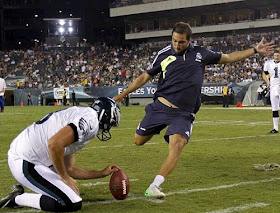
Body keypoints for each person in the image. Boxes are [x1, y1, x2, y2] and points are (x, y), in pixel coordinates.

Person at [113, 22, 274, 199]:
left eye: (181, 42)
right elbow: (145, 76)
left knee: (178, 144)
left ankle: (155, 185)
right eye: (174, 41)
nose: (176, 45)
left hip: (184, 113)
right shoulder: (164, 54)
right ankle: (156, 128)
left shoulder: (201, 53)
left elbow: (228, 57)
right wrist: (123, 94)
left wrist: (255, 50)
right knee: (138, 141)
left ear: (189, 41)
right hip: (159, 107)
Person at [0, 97, 121, 211]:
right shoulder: (91, 122)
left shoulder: (82, 114)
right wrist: (65, 178)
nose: (108, 128)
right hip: (25, 160)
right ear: (105, 116)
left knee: (70, 192)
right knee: (71, 202)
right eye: (110, 124)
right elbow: (54, 144)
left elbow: (69, 169)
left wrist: (101, 173)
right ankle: (17, 198)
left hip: (31, 156)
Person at [262, 47, 280, 133]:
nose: (276, 57)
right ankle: (275, 128)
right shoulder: (269, 63)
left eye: (278, 56)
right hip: (273, 87)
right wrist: (268, 82)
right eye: (275, 55)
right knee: (274, 108)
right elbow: (265, 74)